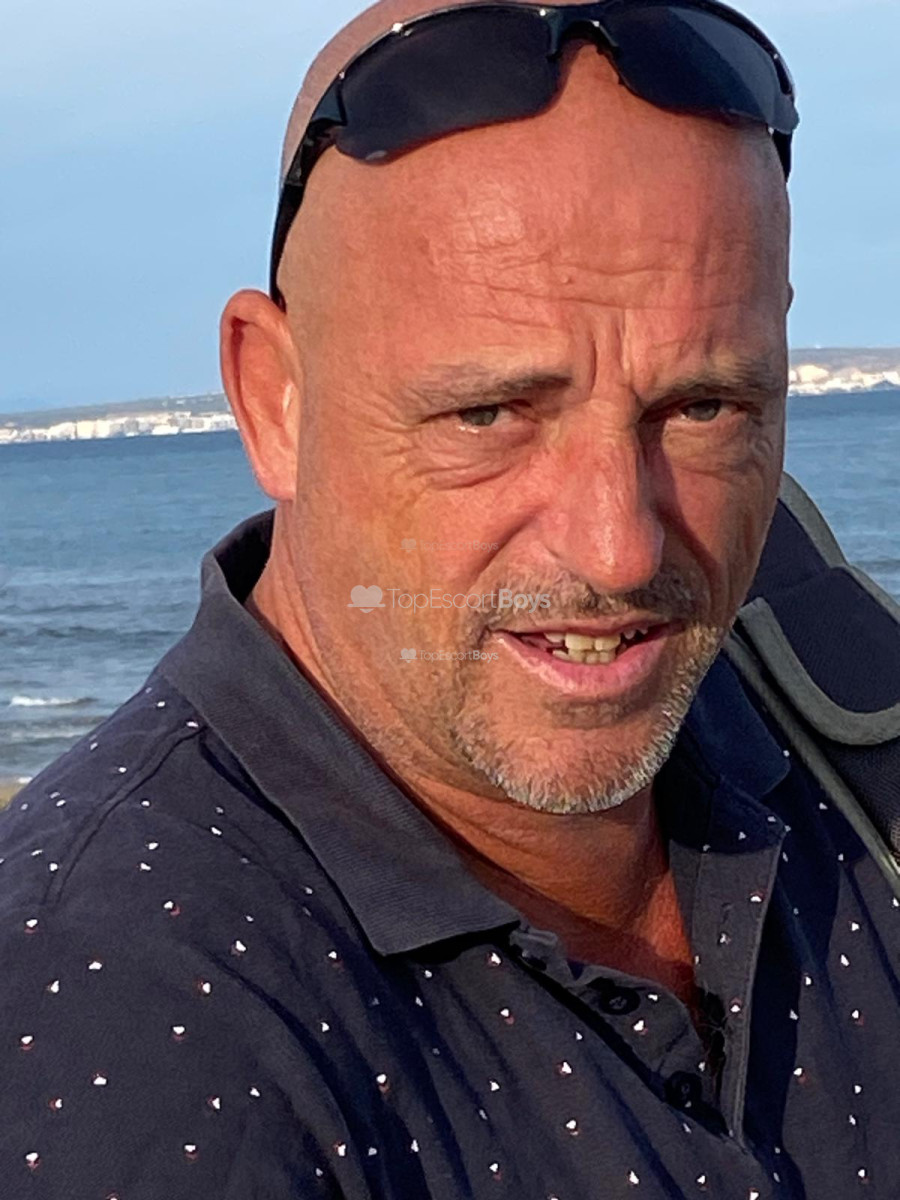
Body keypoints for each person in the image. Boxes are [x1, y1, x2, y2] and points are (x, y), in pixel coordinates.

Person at [2, 1, 899, 1196]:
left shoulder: (838, 717)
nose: (618, 548)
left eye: (703, 408)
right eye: (488, 413)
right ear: (274, 401)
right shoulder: (114, 1038)